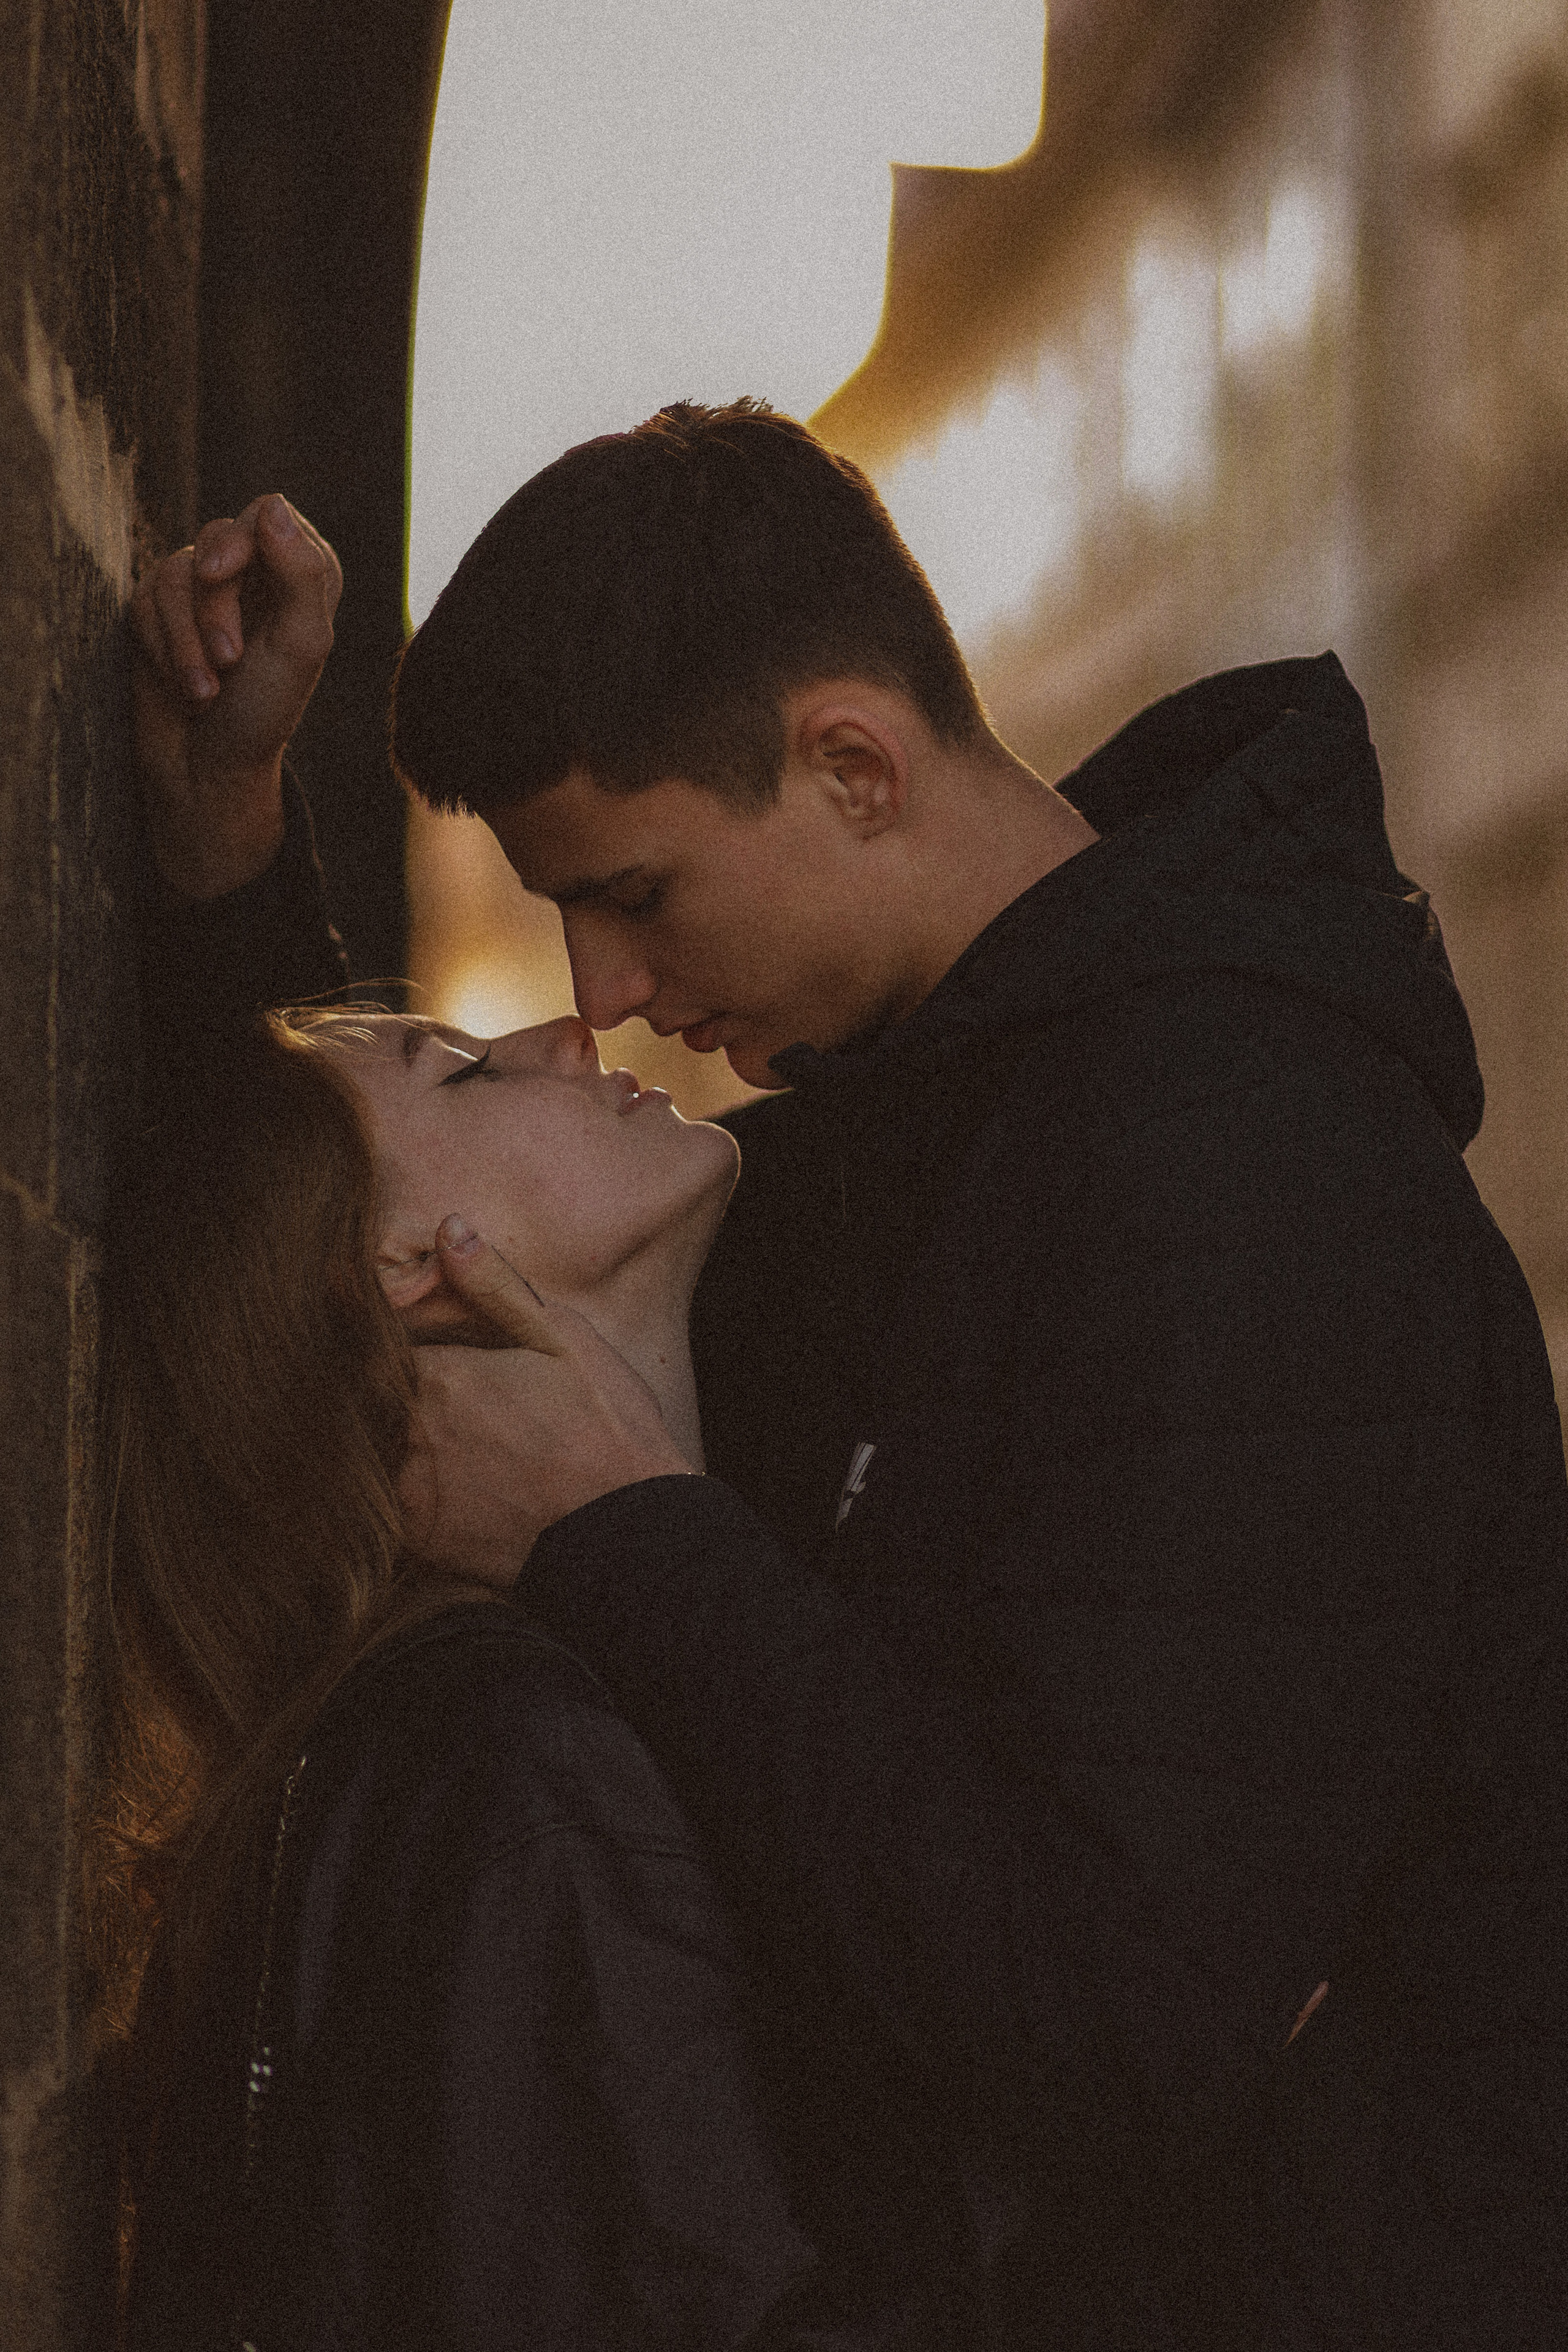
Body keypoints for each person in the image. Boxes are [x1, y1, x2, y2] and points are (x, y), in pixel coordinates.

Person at [131, 410, 1568, 2348]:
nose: (605, 991)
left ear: (855, 768)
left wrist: (624, 1538)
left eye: (636, 890)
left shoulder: (1233, 1171)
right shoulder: (939, 1138)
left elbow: (1118, 2018)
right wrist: (225, 850)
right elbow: (379, 1252)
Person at [102, 1004, 957, 2350]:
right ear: (395, 1263)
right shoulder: (518, 1770)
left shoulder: (481, 1729)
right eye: (466, 1071)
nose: (565, 1031)